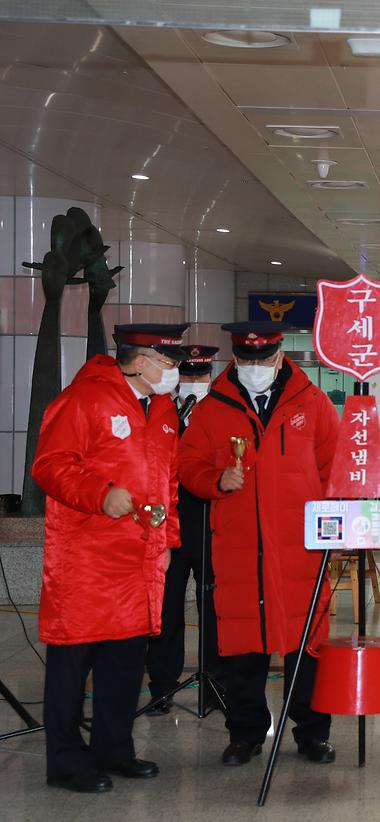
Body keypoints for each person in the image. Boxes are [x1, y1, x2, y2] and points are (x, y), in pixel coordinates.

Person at [33, 323, 188, 792]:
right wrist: (99, 494)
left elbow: (170, 486)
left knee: (124, 662)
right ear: (139, 361)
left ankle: (114, 749)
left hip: (139, 559)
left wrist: (167, 546)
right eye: (167, 361)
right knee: (72, 663)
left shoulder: (162, 410)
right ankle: (65, 762)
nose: (174, 371)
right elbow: (50, 464)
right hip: (86, 558)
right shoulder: (84, 399)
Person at [178, 322, 340, 767]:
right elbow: (187, 463)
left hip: (300, 550)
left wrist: (335, 530)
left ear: (279, 355)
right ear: (235, 359)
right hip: (239, 550)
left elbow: (333, 468)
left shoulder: (313, 403)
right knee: (243, 647)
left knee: (306, 646)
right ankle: (246, 732)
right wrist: (214, 480)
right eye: (246, 361)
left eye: (262, 360)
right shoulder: (213, 408)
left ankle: (312, 733)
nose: (254, 368)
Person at [145, 345, 224, 715]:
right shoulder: (161, 410)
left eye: (201, 375)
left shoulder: (221, 413)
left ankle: (215, 685)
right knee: (167, 610)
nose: (195, 382)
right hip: (171, 529)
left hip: (213, 527)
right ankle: (162, 686)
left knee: (215, 612)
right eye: (189, 375)